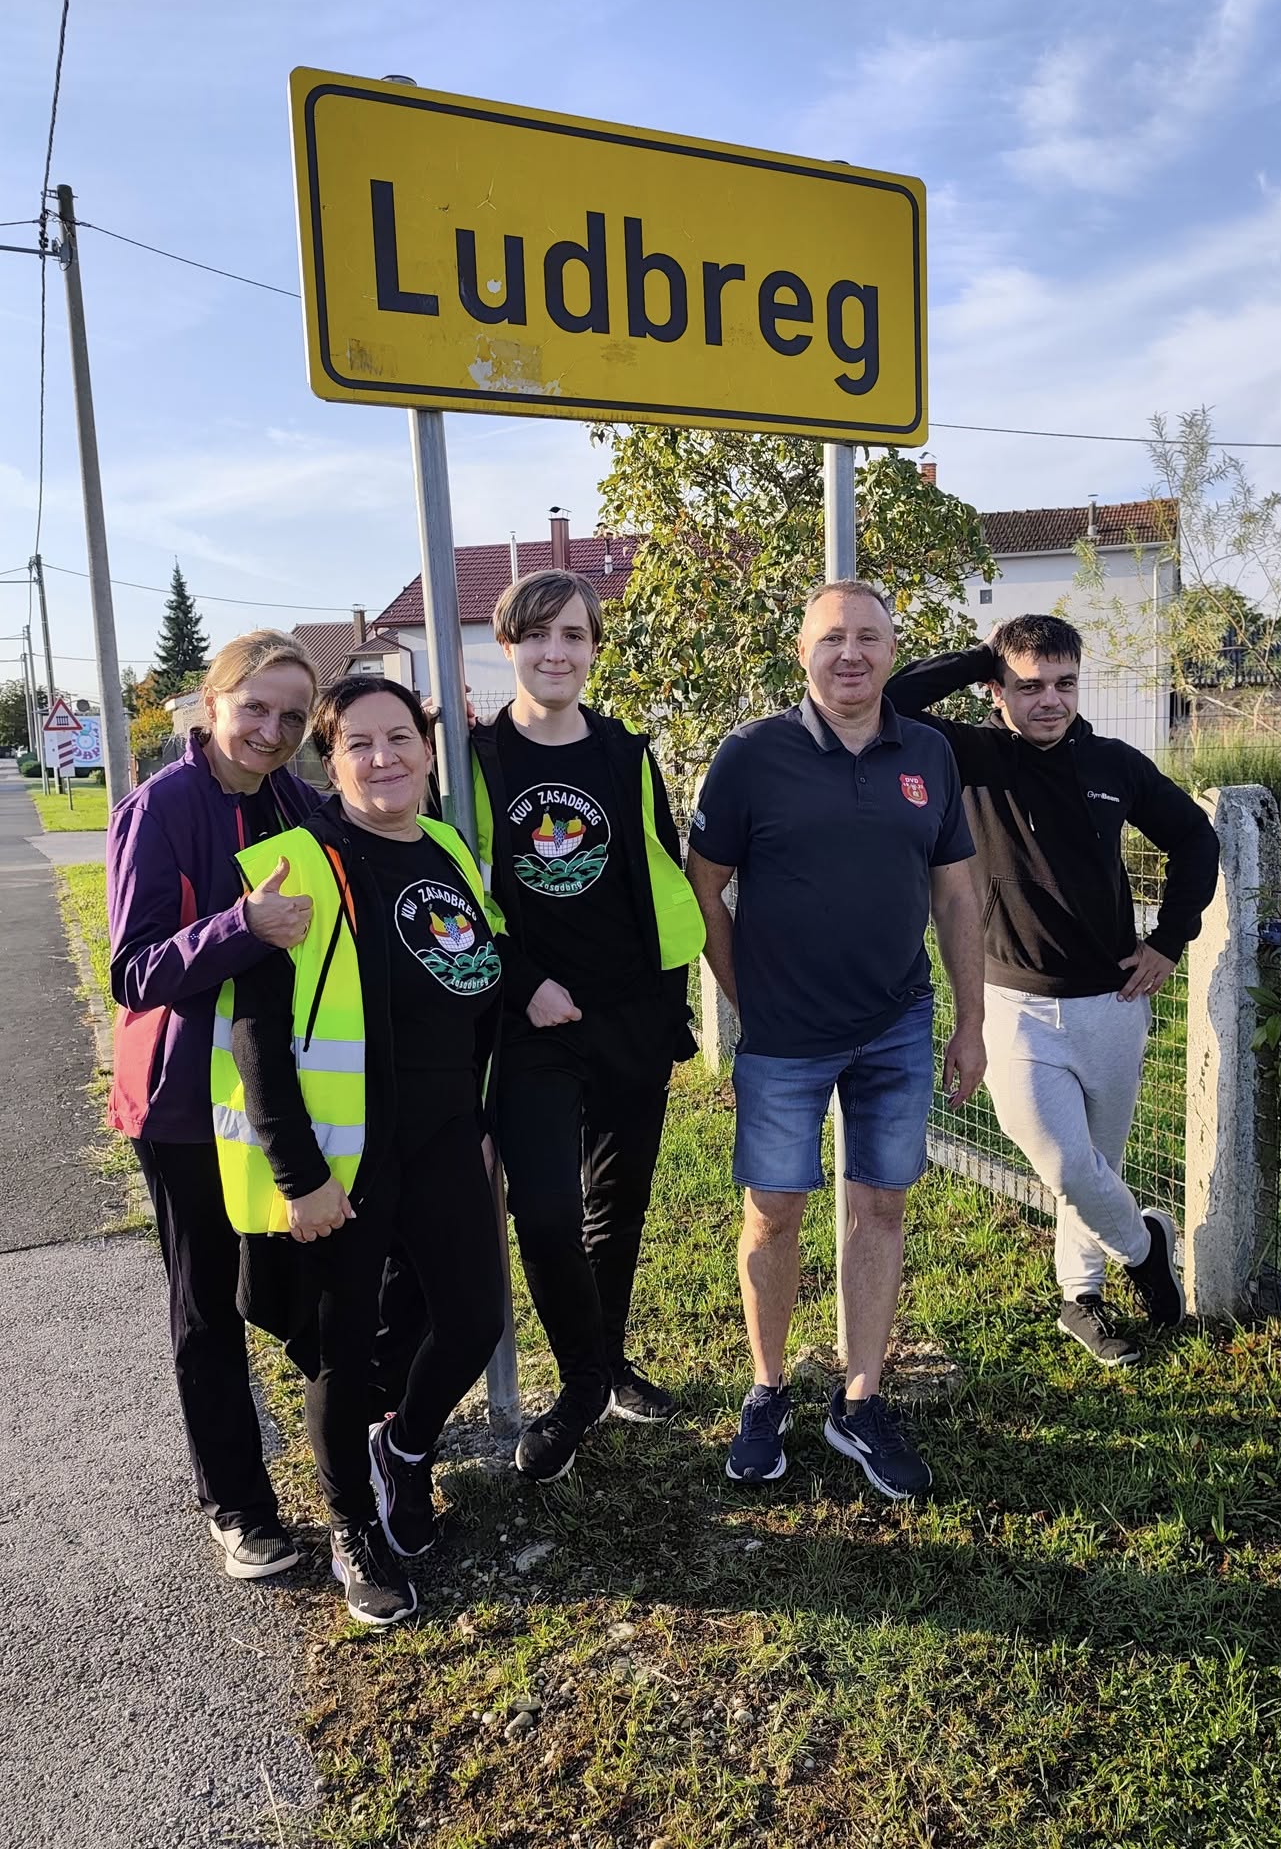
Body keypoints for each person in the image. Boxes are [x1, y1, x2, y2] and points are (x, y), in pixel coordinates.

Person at [216, 676, 506, 1627]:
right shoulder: (295, 861)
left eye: (399, 738)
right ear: (328, 762)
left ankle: (406, 1454)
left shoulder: (449, 846)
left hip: (445, 1135)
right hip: (345, 1158)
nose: (383, 759)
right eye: (358, 745)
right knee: (343, 1353)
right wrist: (300, 1177)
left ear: (428, 748)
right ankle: (352, 1528)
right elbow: (254, 1033)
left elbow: (476, 980)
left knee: (470, 1320)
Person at [686, 580, 984, 1501]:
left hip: (897, 1025)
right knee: (772, 1213)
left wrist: (971, 1021)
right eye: (832, 639)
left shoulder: (928, 753)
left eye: (868, 638)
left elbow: (958, 894)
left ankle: (859, 1400)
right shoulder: (750, 756)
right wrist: (751, 1001)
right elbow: (704, 889)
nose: (850, 654)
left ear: (893, 651)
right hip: (784, 1040)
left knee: (881, 1209)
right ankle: (768, 1390)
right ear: (802, 654)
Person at [886, 614, 1219, 1367]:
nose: (1049, 701)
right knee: (1065, 1166)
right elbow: (893, 702)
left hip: (1114, 1003)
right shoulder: (969, 752)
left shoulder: (1115, 764)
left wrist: (1170, 940)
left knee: (1097, 1166)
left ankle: (1083, 1298)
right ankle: (1144, 1249)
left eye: (1064, 683)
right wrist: (980, 657)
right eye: (1028, 685)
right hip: (1014, 1004)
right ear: (997, 691)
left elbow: (1197, 838)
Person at [466, 568, 705, 1483]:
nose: (556, 652)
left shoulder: (626, 753)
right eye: (538, 636)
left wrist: (668, 1002)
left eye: (573, 636)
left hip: (632, 1016)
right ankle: (577, 1384)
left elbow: (661, 876)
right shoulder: (480, 762)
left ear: (595, 649)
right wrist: (524, 984)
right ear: (510, 646)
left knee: (620, 1203)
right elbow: (462, 890)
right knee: (547, 1211)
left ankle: (603, 1368)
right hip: (532, 1022)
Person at [107, 629, 321, 1581]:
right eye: (255, 709)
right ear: (211, 703)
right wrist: (241, 926)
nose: (270, 731)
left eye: (290, 716)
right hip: (186, 1101)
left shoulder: (291, 800)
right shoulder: (159, 810)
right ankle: (237, 1504)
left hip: (280, 1092)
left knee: (282, 1285)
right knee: (206, 1305)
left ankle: (352, 1455)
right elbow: (132, 970)